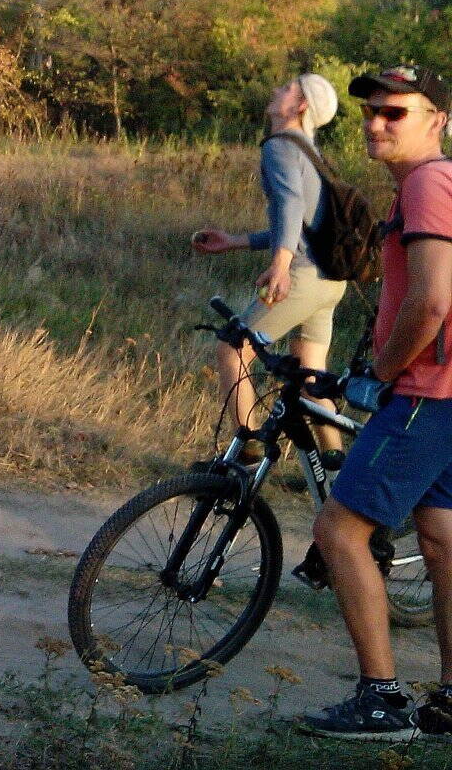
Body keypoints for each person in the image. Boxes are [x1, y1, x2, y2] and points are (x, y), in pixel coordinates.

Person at [301, 65, 452, 741]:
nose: (375, 122)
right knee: (442, 540)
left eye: (396, 112)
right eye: (370, 111)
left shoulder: (427, 183)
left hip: (427, 392)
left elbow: (432, 300)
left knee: (339, 531)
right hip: (447, 394)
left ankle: (381, 701)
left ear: (436, 120)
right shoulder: (433, 184)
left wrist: (380, 373)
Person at [191, 73, 347, 460]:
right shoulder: (310, 152)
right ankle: (335, 469)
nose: (277, 90)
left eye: (288, 88)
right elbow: (301, 226)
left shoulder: (279, 146)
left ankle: (247, 451)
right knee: (311, 379)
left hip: (301, 278)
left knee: (233, 348)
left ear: (300, 106)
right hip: (330, 281)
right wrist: (236, 241)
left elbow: (290, 206)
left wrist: (280, 266)